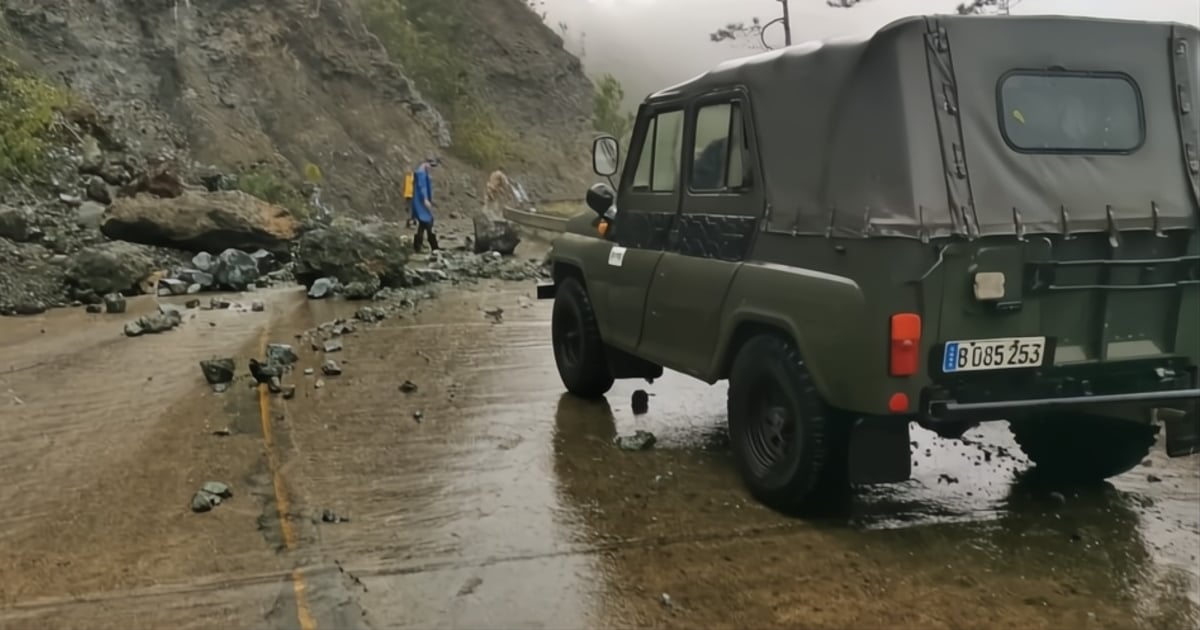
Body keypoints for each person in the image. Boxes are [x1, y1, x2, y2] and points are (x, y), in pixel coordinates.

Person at [412, 156, 440, 253]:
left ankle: (417, 247)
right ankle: (434, 247)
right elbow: (422, 187)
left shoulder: (422, 172)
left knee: (422, 225)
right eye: (430, 165)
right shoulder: (421, 173)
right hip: (421, 203)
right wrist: (425, 200)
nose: (431, 168)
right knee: (429, 222)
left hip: (419, 202)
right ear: (425, 163)